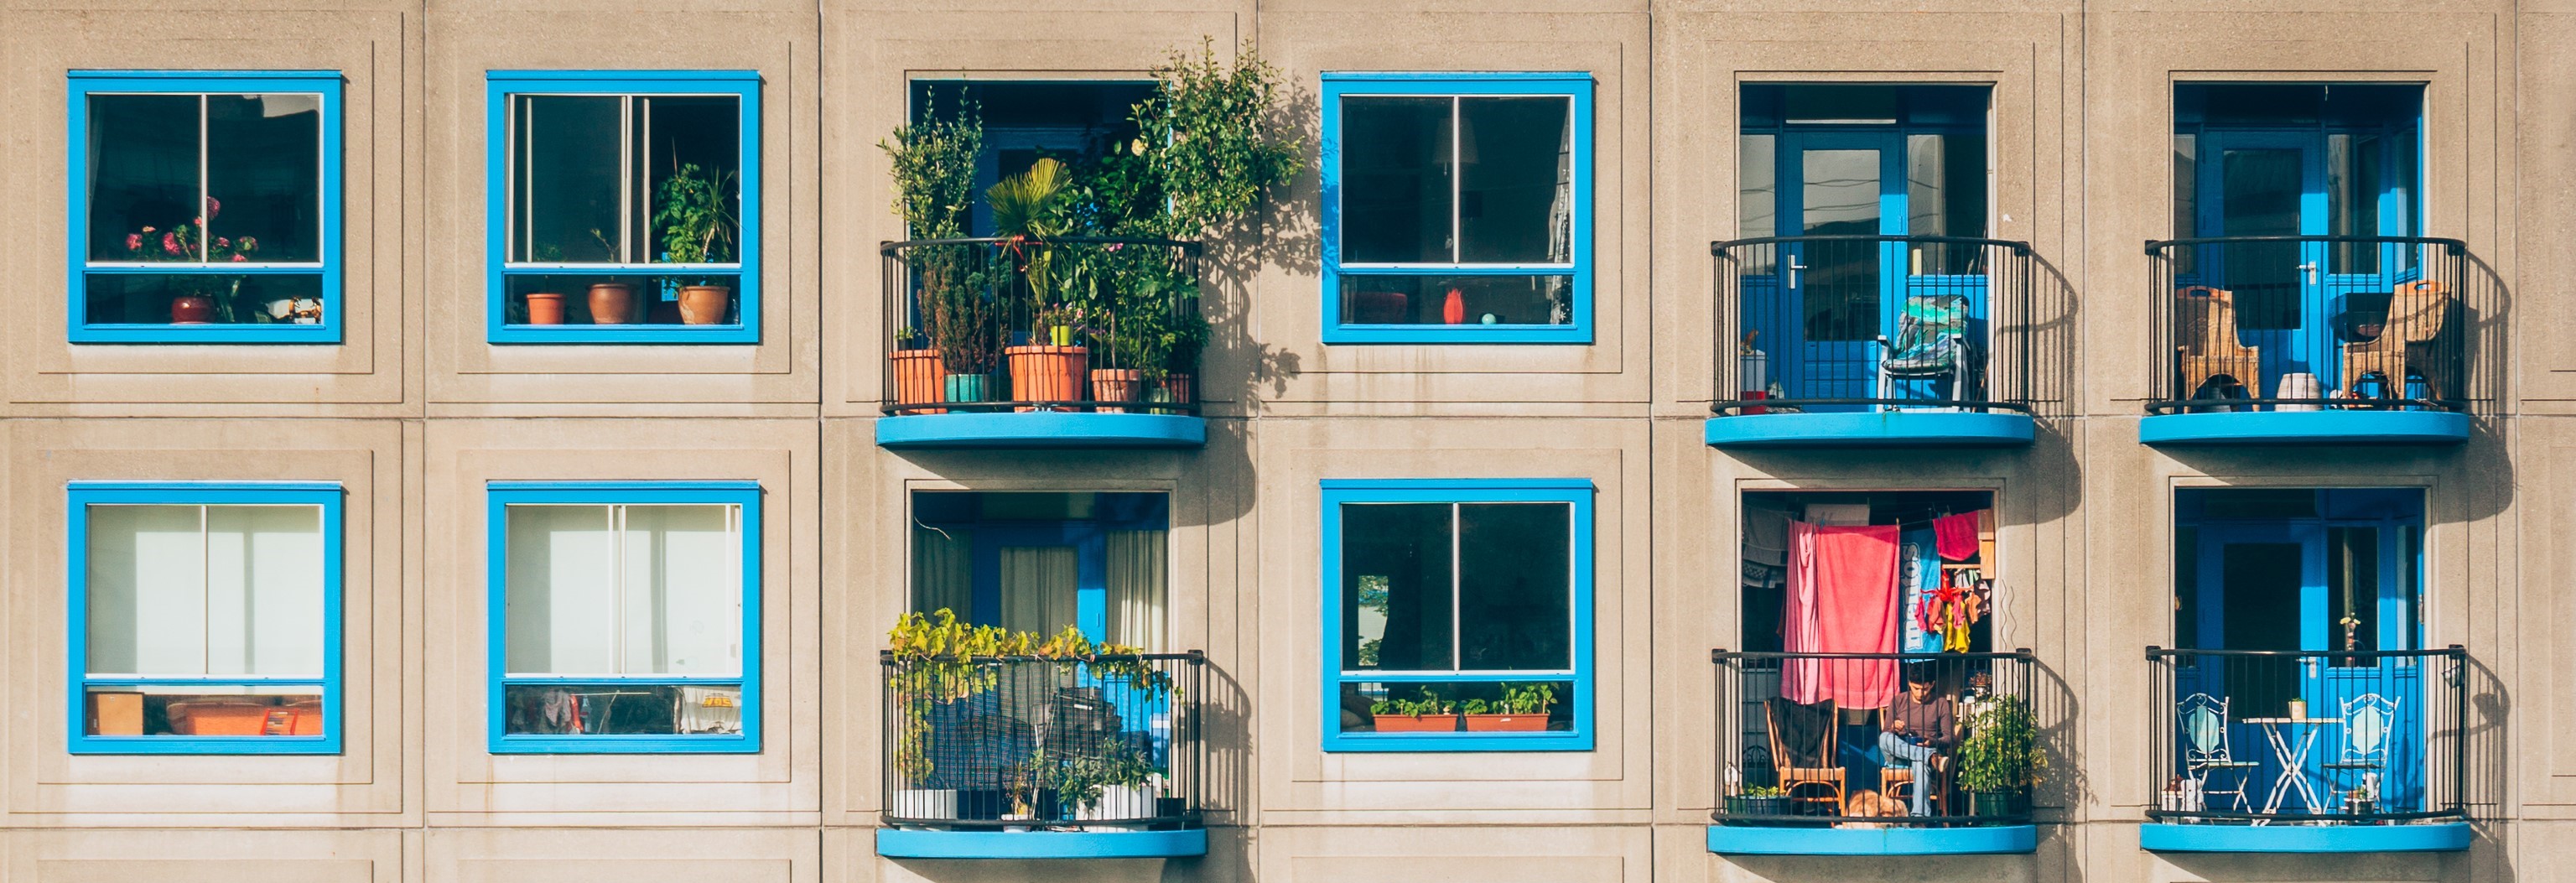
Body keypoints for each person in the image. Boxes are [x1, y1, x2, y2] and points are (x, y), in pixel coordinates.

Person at [1879, 667, 1956, 817]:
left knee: (1920, 762)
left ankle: (1919, 817)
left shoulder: (1940, 703)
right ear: (1909, 684)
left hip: (1924, 752)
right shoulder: (1899, 700)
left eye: (1925, 689)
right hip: (1899, 756)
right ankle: (1929, 756)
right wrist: (1894, 728)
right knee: (1884, 738)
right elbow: (1886, 734)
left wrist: (1932, 741)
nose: (1920, 694)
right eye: (1916, 689)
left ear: (1932, 684)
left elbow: (1950, 738)